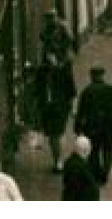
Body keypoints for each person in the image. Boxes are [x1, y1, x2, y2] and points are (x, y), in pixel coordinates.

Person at [73, 65, 112, 185]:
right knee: (110, 149)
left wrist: (78, 127)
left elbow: (81, 111)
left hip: (92, 128)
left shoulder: (87, 91)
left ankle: (97, 173)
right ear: (102, 75)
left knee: (93, 152)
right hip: (108, 126)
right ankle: (105, 172)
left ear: (91, 76)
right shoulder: (110, 89)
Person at [37, 11, 76, 172]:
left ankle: (59, 161)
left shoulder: (64, 69)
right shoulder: (44, 70)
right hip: (49, 105)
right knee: (54, 134)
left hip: (58, 104)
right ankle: (58, 160)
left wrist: (71, 104)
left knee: (56, 133)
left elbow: (70, 87)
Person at [60, 135, 99, 201]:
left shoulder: (76, 161)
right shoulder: (76, 167)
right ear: (85, 150)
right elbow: (72, 190)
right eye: (89, 148)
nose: (89, 151)